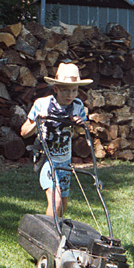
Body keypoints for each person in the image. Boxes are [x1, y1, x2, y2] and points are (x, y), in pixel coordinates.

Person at [21, 63, 92, 218]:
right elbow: (24, 132)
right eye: (66, 90)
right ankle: (48, 235)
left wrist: (81, 125)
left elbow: (82, 130)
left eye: (74, 90)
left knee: (63, 203)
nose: (70, 95)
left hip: (65, 160)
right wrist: (38, 121)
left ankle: (58, 233)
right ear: (56, 89)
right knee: (56, 201)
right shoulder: (42, 104)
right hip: (46, 159)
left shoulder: (77, 105)